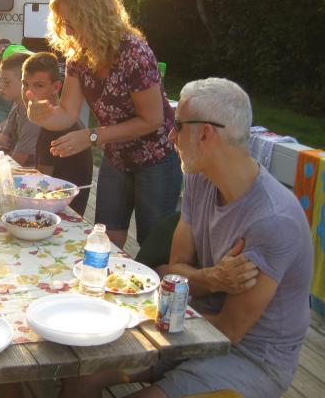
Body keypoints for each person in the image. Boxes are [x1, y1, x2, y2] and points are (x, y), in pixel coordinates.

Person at [60, 78, 313, 398]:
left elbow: (230, 329)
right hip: (189, 322)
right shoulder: (200, 178)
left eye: (177, 126)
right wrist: (212, 278)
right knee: (81, 375)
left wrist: (147, 316)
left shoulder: (273, 221)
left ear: (205, 133)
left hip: (250, 358)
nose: (170, 136)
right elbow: (173, 272)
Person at [27, 0, 182, 248]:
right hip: (117, 157)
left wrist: (92, 136)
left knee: (152, 246)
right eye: (63, 23)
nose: (67, 31)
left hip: (156, 159)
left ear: (93, 16)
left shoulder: (135, 54)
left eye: (71, 22)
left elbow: (152, 119)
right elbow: (67, 113)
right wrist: (41, 115)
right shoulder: (78, 57)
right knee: (106, 241)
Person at [22, 52, 93, 216]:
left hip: (63, 213)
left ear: (56, 87)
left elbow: (40, 184)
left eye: (39, 85)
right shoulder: (63, 120)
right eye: (25, 84)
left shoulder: (53, 128)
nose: (28, 92)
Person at [0, 52, 40, 167]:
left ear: (24, 83)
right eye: (1, 81)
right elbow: (3, 143)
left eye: (7, 82)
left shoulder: (33, 117)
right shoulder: (17, 105)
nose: (1, 86)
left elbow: (16, 163)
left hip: (29, 173)